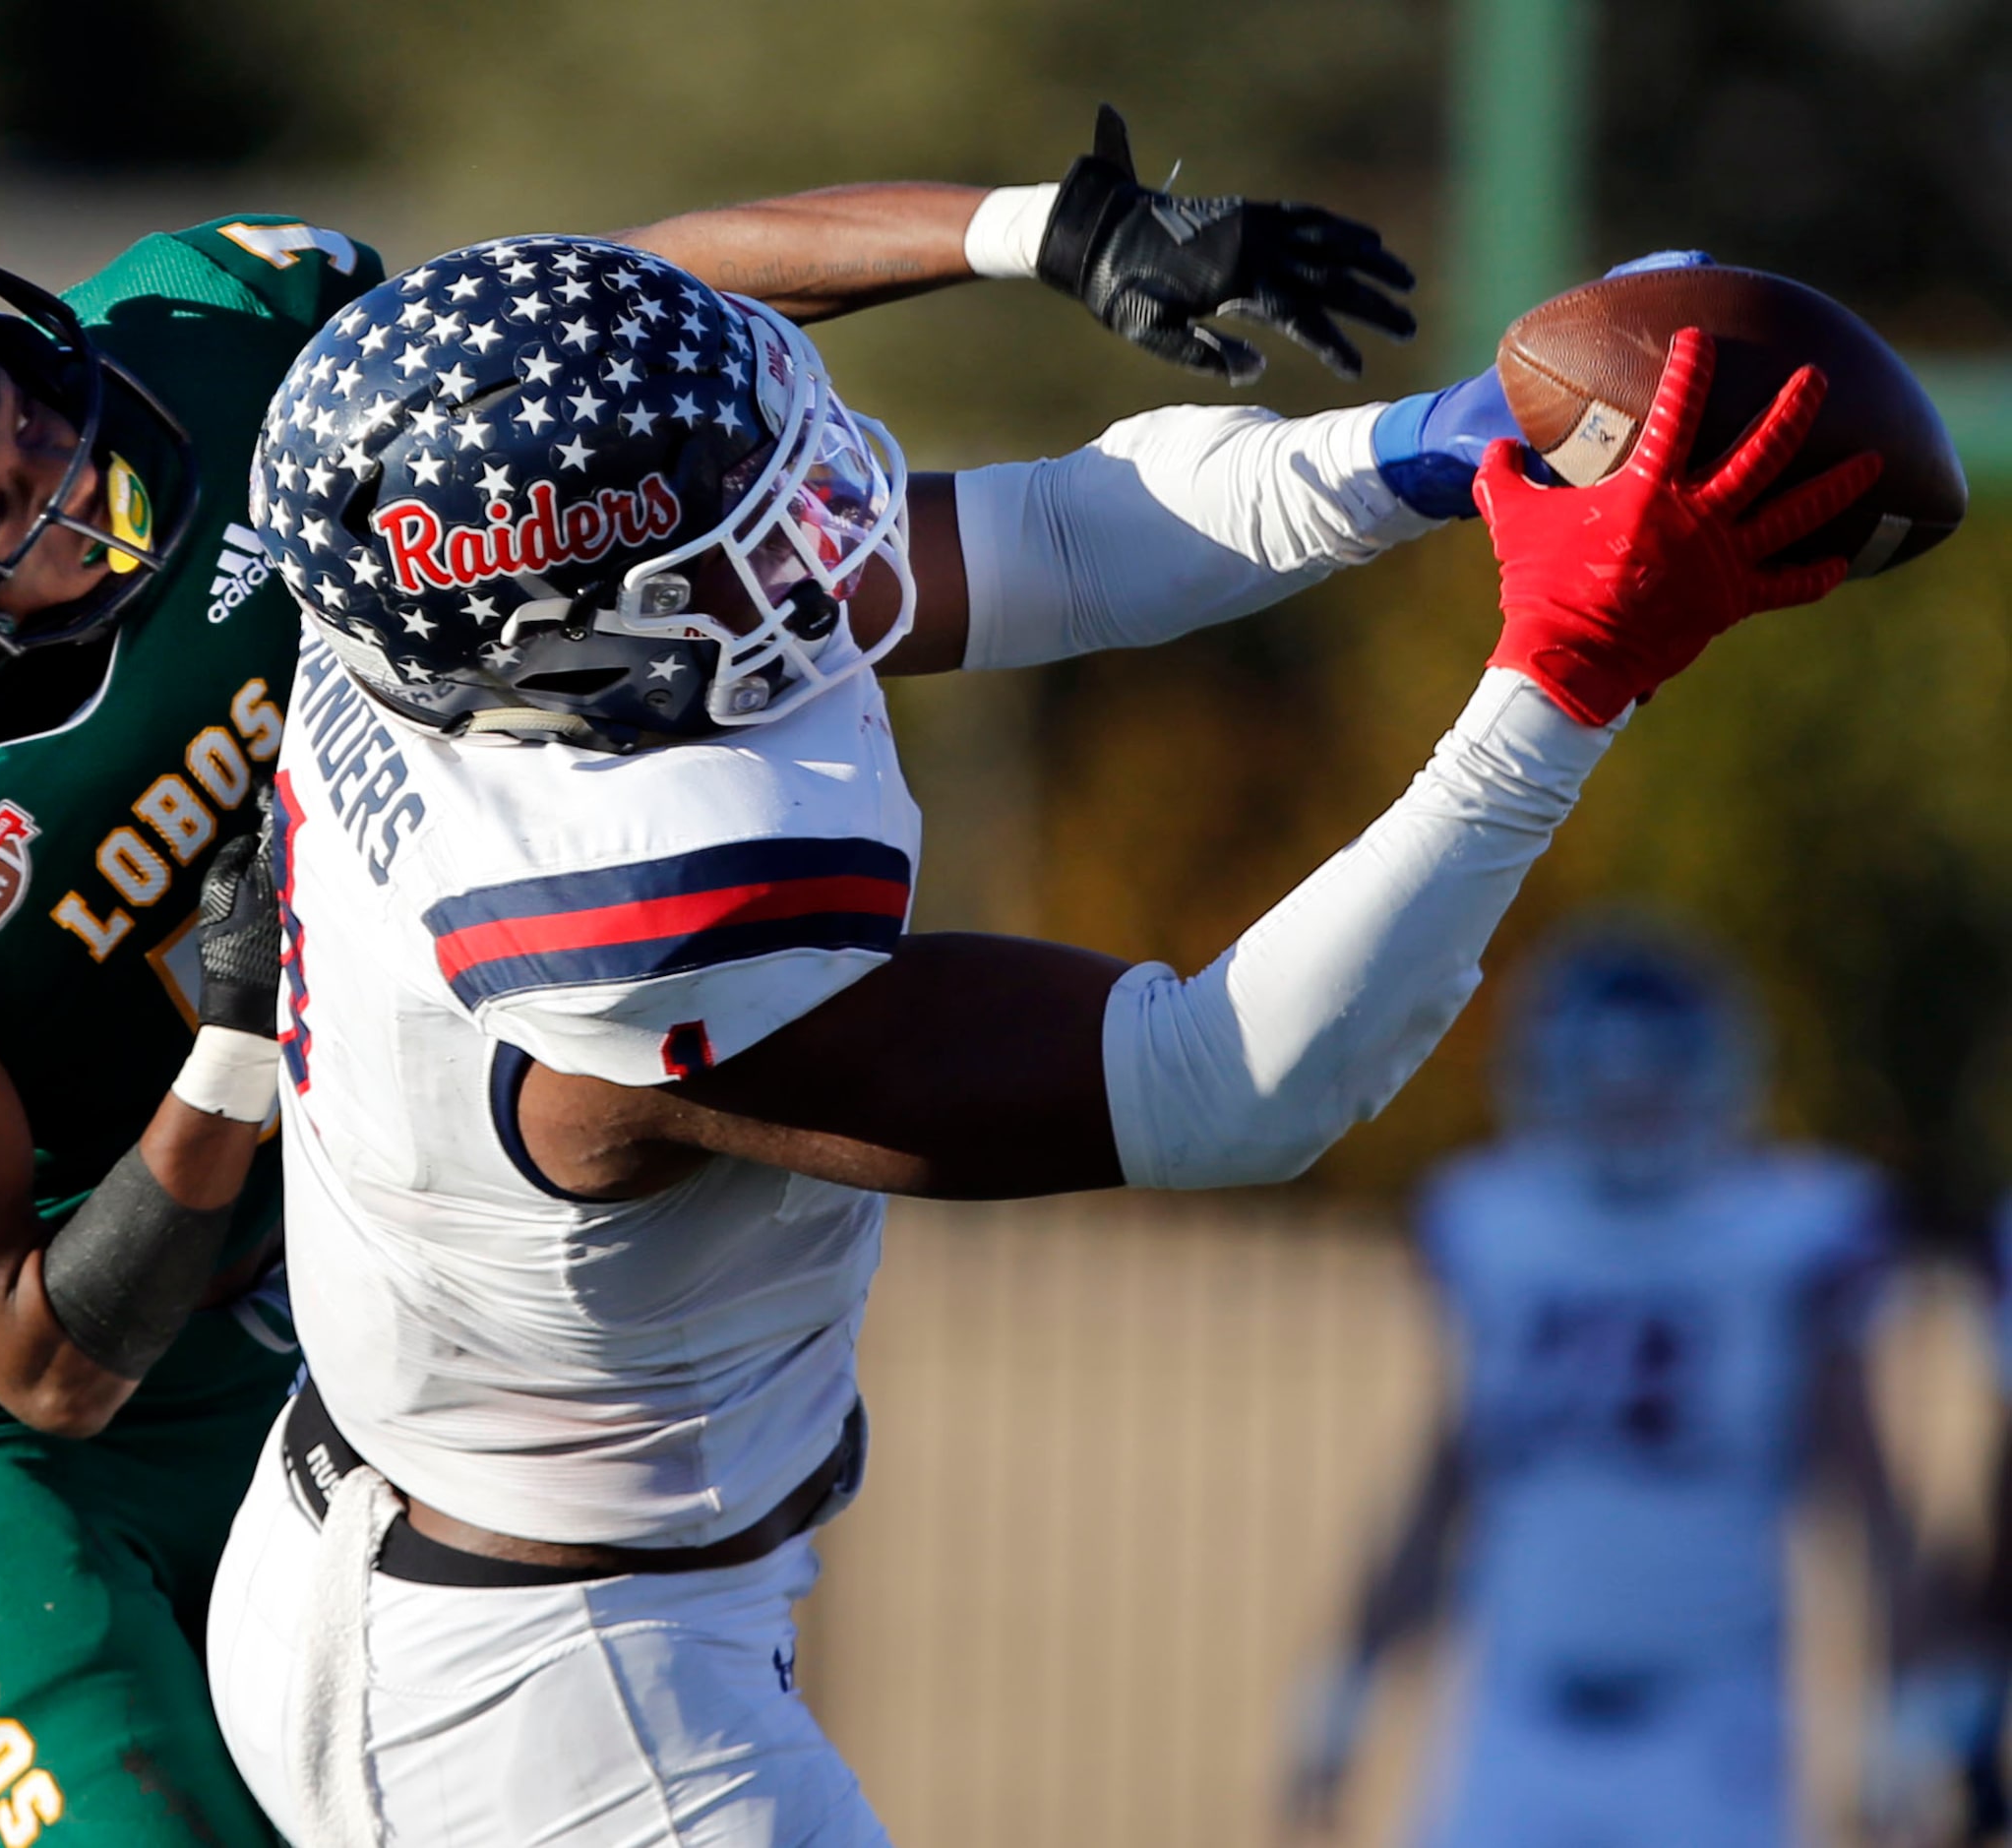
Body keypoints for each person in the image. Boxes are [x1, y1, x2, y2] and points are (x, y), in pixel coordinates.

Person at [0, 106, 1421, 1848]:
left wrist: (1038, 227)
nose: (47, 454)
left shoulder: (210, 333)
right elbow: (41, 1359)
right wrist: (226, 1055)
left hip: (350, 1326)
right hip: (44, 1448)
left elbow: (588, 333)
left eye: (1, 388)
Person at [202, 205, 1882, 1841]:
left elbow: (1054, 536)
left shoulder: (440, 634)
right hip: (546, 1696)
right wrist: (1560, 681)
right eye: (751, 523)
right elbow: (1221, 1085)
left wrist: (1449, 445)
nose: (833, 512)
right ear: (601, 639)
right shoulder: (637, 924)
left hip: (429, 1547)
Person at [1281, 925, 1911, 1848]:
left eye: (1655, 1077)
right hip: (1517, 1711)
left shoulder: (1780, 1236)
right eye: (1605, 1078)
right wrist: (1347, 1684)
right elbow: (1449, 1477)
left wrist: (1905, 1707)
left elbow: (1869, 1499)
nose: (1630, 1104)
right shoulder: (1501, 1223)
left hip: (1710, 1725)